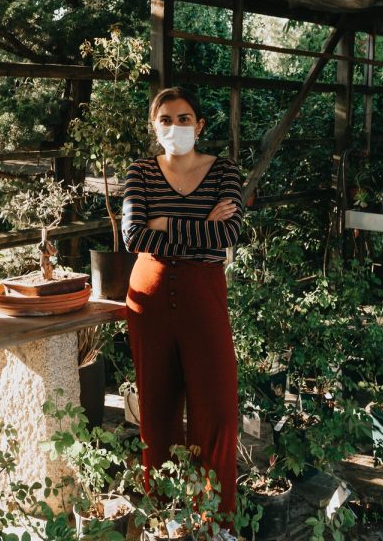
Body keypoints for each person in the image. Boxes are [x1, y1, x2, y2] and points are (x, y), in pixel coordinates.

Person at [122, 86, 243, 521]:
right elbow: (134, 237)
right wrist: (195, 223)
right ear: (155, 128)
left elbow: (227, 235)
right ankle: (163, 514)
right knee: (157, 411)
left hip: (203, 298)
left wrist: (165, 221)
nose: (175, 126)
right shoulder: (139, 173)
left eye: (184, 118)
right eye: (166, 120)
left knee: (218, 412)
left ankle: (217, 521)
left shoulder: (224, 171)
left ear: (200, 124)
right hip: (148, 300)